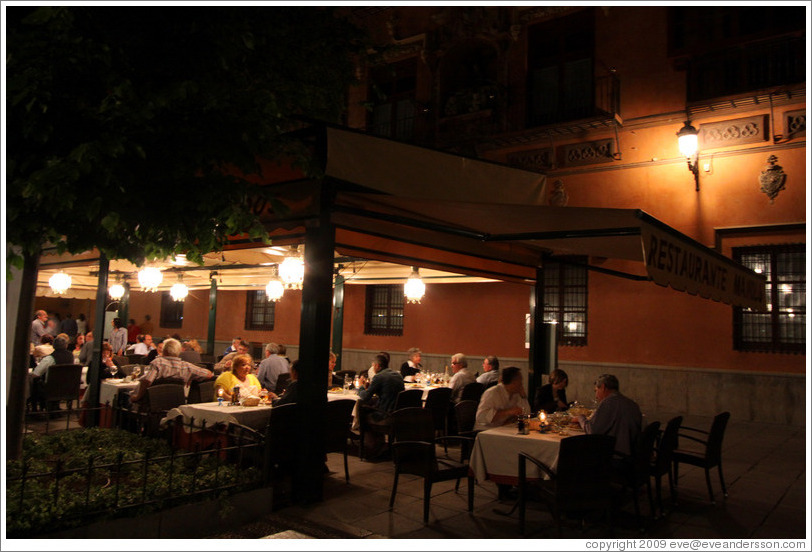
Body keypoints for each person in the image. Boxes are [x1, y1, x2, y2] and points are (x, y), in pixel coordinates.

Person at [572, 373, 642, 457]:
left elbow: (592, 431)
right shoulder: (632, 404)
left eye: (596, 391)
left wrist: (581, 418)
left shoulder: (609, 403)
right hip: (632, 454)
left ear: (603, 387)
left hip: (614, 456)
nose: (596, 396)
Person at [130, 338, 213, 405]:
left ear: (164, 350)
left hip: (153, 402)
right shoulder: (186, 366)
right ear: (179, 352)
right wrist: (192, 378)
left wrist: (137, 397)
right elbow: (209, 374)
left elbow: (147, 381)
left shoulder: (158, 363)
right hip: (175, 402)